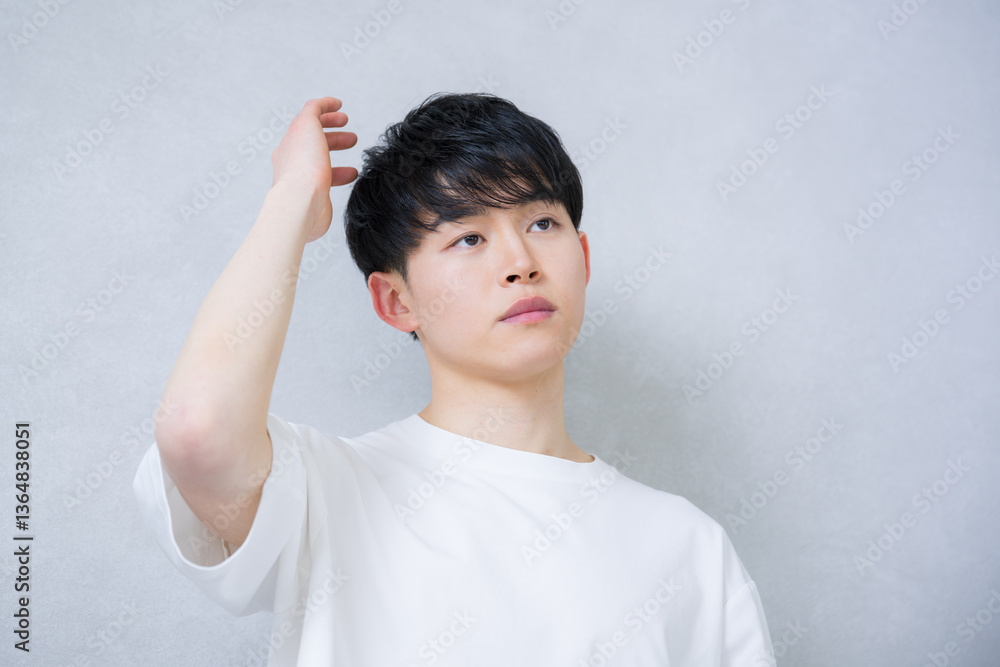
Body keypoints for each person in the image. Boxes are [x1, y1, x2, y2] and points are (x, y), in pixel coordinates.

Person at [132, 93, 774, 666]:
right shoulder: (328, 493)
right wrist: (293, 199)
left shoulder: (688, 547)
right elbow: (197, 429)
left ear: (581, 259)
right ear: (396, 302)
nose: (520, 263)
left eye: (542, 223)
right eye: (468, 238)